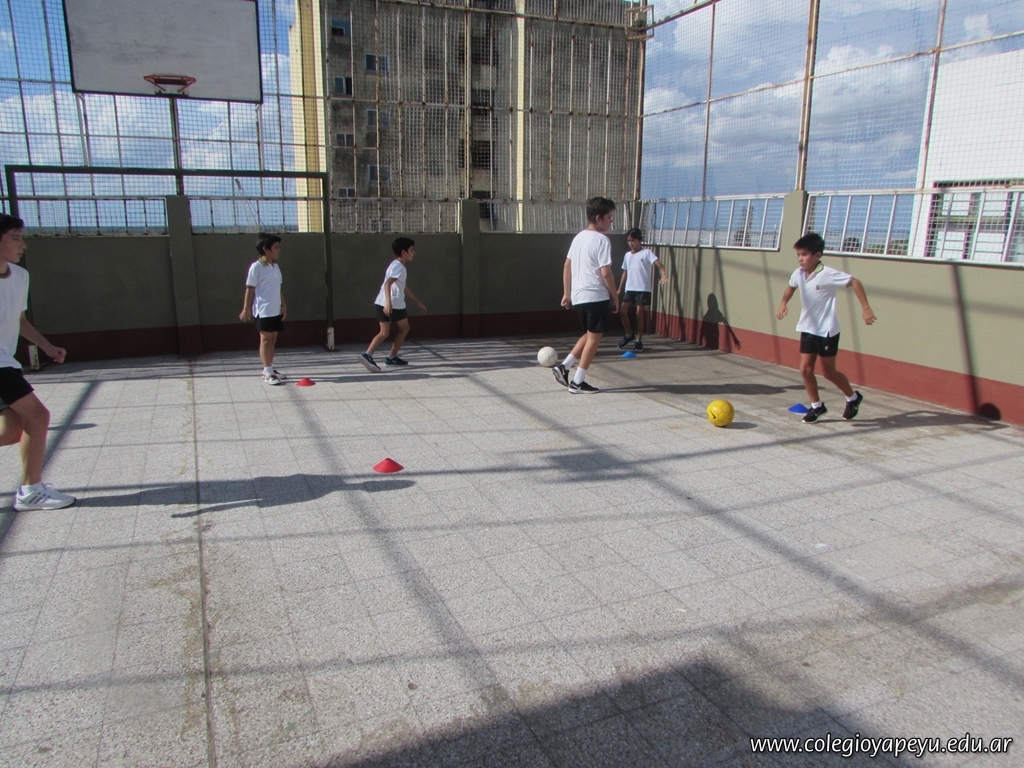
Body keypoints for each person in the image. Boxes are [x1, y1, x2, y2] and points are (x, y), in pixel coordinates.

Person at [0, 214, 75, 510]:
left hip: (6, 361)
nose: (23, 245)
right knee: (38, 416)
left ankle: (31, 490)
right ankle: (31, 491)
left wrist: (47, 346)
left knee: (13, 428)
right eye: (15, 238)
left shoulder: (20, 276)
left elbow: (19, 320)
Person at [775, 232, 876, 423]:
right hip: (808, 328)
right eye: (798, 255)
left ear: (817, 255)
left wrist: (866, 308)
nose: (800, 259)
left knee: (829, 372)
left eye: (804, 254)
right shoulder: (798, 274)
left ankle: (852, 398)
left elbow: (854, 282)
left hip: (827, 330)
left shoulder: (827, 274)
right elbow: (791, 287)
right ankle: (817, 406)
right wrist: (783, 303)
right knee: (805, 369)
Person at [551, 197, 619, 394]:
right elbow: (606, 273)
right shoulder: (602, 240)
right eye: (609, 217)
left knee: (590, 334)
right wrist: (615, 296)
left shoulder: (579, 237)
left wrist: (567, 293)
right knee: (594, 339)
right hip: (595, 295)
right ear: (598, 218)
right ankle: (578, 382)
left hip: (579, 296)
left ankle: (564, 366)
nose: (611, 221)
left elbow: (567, 265)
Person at [359, 237, 427, 372]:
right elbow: (388, 284)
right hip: (394, 303)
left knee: (386, 332)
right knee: (403, 329)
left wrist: (417, 302)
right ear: (403, 252)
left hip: (382, 302)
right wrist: (389, 304)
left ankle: (376, 355)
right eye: (411, 250)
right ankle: (380, 356)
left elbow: (403, 286)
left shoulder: (395, 265)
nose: (414, 253)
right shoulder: (400, 267)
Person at [240, 233, 287, 385]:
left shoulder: (276, 267)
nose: (279, 250)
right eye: (276, 247)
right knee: (266, 340)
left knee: (273, 339)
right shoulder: (256, 267)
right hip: (264, 310)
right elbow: (250, 288)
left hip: (275, 309)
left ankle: (271, 368)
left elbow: (278, 287)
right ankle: (266, 371)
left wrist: (283, 304)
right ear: (266, 249)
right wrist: (246, 309)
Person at [616, 228, 668, 352]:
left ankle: (639, 341)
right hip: (630, 288)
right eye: (629, 241)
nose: (631, 243)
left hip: (642, 289)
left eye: (633, 240)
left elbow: (659, 265)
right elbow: (625, 272)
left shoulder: (646, 253)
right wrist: (619, 289)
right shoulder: (627, 255)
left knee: (639, 314)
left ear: (639, 240)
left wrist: (664, 274)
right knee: (623, 311)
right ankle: (629, 335)